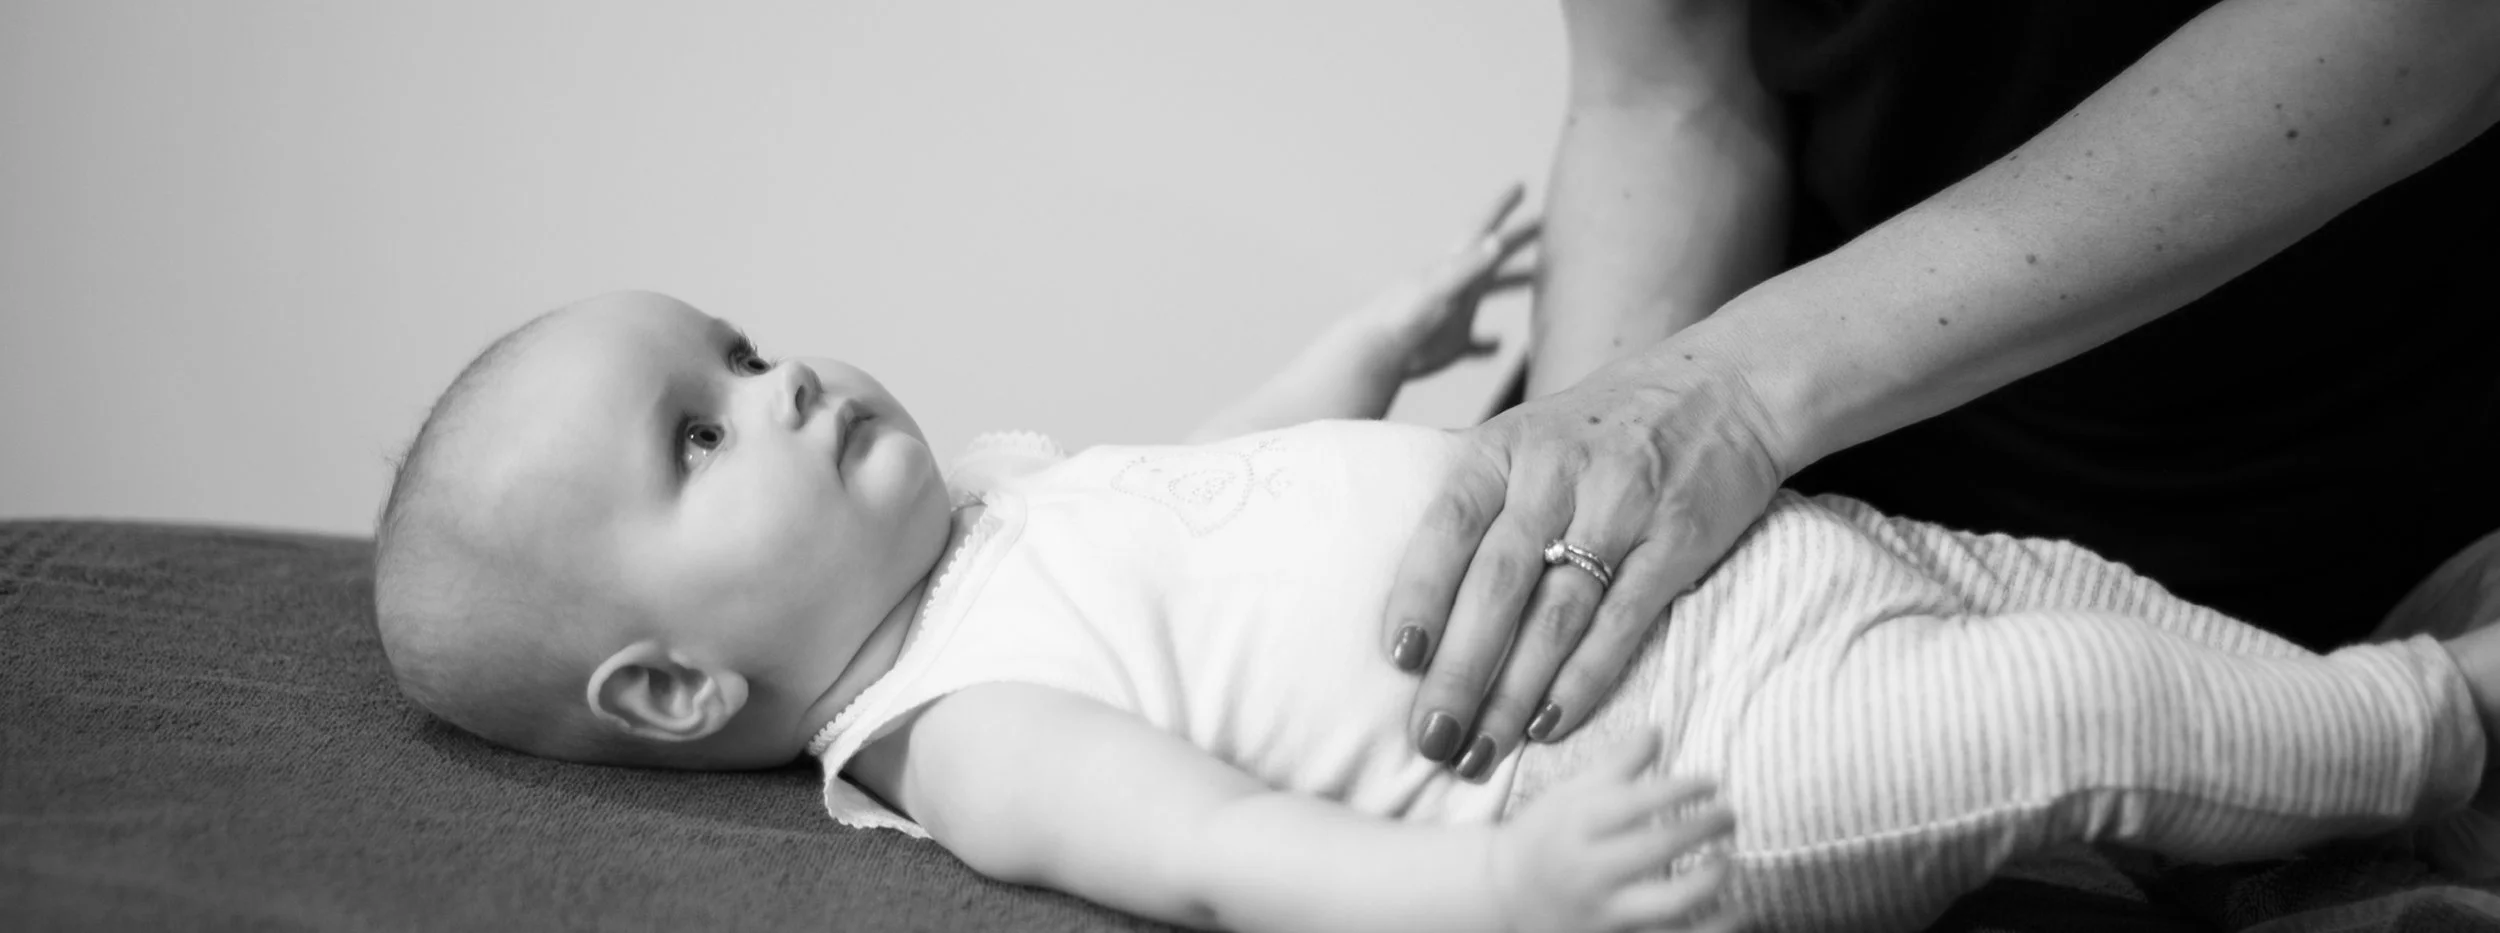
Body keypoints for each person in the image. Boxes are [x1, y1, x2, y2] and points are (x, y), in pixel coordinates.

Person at [374, 198, 2500, 933]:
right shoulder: (954, 730)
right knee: (2060, 711)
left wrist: (1377, 341)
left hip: (1748, 565)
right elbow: (1216, 849)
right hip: (1681, 770)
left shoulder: (1003, 512)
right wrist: (1505, 889)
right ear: (669, 688)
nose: (782, 374)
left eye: (735, 343)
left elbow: (1211, 473)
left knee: (2076, 607)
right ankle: (2439, 719)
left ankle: (2281, 834)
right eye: (702, 428)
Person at [1388, 0, 2500, 787]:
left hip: (2367, 445)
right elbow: (1664, 85)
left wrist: (1734, 394)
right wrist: (1595, 483)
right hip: (1794, 476)